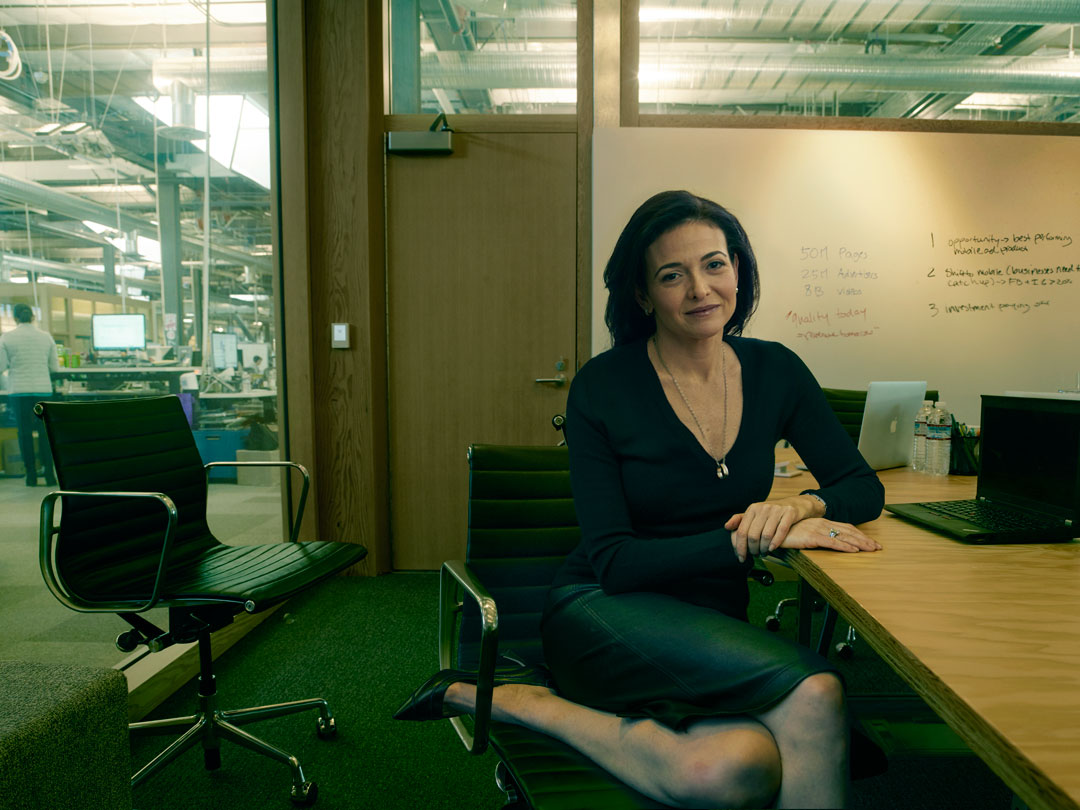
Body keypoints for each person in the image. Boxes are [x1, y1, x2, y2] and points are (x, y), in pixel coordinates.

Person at [394, 191, 884, 809]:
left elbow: (863, 486)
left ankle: (534, 705)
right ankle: (539, 696)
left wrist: (799, 509)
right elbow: (615, 561)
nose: (701, 289)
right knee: (816, 694)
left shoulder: (775, 370)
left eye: (714, 265)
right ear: (644, 294)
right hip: (604, 610)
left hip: (708, 617)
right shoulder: (605, 386)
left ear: (739, 270)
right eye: (672, 275)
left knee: (732, 771)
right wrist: (747, 539)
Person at [0, 304, 59, 486]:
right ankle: (49, 474)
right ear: (33, 317)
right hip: (43, 390)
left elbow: (1, 367)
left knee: (24, 433)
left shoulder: (7, 338)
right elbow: (54, 367)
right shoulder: (46, 337)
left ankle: (31, 476)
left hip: (19, 391)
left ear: (15, 318)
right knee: (45, 433)